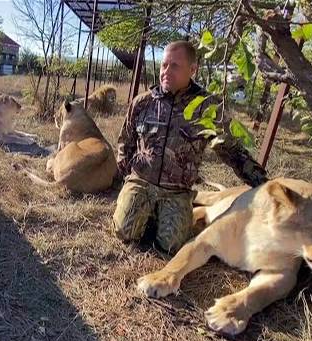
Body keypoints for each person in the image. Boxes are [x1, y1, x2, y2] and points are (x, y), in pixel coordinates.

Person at [113, 40, 268, 252]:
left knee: (171, 246)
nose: (166, 71)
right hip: (141, 181)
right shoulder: (143, 103)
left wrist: (264, 184)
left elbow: (233, 152)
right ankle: (142, 211)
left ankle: (166, 216)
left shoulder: (207, 108)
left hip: (176, 191)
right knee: (124, 232)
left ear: (192, 69)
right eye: (164, 65)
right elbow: (125, 142)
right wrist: (125, 181)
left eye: (175, 66)